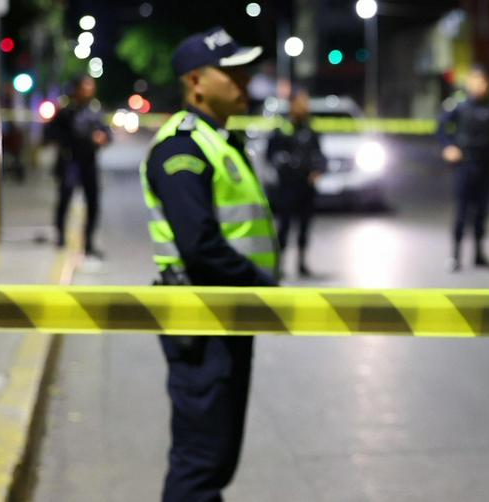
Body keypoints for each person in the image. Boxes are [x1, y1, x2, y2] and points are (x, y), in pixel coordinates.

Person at [141, 26, 279, 502]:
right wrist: (261, 287)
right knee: (200, 462)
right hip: (203, 321)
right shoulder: (183, 148)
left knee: (215, 459)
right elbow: (200, 246)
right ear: (196, 82)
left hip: (226, 315)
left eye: (245, 72)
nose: (244, 82)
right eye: (231, 73)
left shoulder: (217, 138)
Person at [436, 66, 489, 271]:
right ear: (469, 82)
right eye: (477, 80)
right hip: (465, 164)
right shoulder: (459, 105)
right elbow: (441, 127)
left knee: (482, 212)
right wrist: (448, 146)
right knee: (462, 212)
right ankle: (455, 256)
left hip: (485, 164)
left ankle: (479, 254)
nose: (481, 85)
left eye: (484, 81)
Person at [47, 76, 111, 258]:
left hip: (88, 162)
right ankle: (60, 235)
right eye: (85, 87)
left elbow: (107, 133)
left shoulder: (95, 111)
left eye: (90, 87)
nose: (88, 91)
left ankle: (88, 242)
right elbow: (52, 133)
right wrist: (80, 138)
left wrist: (102, 138)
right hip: (70, 161)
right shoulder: (66, 111)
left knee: (93, 203)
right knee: (65, 199)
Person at [266, 89, 326, 277]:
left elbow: (319, 154)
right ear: (292, 105)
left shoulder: (310, 128)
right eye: (301, 102)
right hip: (288, 186)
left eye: (306, 103)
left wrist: (318, 170)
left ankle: (302, 263)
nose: (305, 107)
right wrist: (286, 167)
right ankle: (279, 264)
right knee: (284, 226)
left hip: (306, 187)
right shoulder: (283, 128)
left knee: (304, 227)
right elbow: (272, 154)